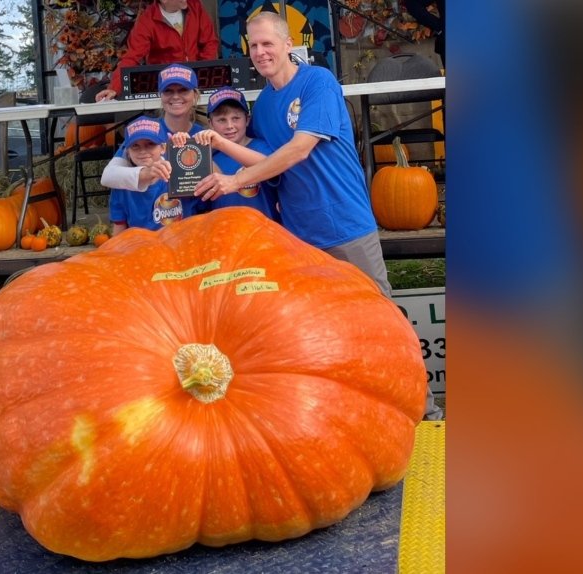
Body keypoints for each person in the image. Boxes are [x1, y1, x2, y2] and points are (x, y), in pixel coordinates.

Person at [194, 12, 443, 421]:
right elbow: (269, 160)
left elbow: (299, 150)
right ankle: (359, 415)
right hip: (301, 235)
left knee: (383, 322)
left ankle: (425, 411)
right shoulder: (267, 102)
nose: (260, 53)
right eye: (253, 46)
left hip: (344, 224)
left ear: (288, 43)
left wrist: (236, 182)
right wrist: (222, 147)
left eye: (268, 44)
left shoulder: (318, 82)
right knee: (326, 331)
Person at [170, 86, 280, 222]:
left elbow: (271, 167)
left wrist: (221, 143)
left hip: (266, 234)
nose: (229, 125)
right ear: (210, 124)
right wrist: (183, 148)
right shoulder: (208, 157)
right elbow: (199, 199)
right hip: (225, 235)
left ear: (247, 119)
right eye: (222, 120)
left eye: (236, 118)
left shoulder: (263, 147)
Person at [100, 64, 207, 191]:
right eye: (168, 91)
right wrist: (148, 173)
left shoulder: (202, 134)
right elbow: (108, 176)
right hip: (148, 207)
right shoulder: (144, 128)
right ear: (160, 95)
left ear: (195, 95)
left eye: (183, 90)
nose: (176, 96)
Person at [95, 0, 219, 102]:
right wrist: (114, 88)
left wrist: (203, 75)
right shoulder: (146, 21)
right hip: (166, 89)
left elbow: (210, 43)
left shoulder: (196, 6)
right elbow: (132, 57)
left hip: (195, 86)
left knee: (205, 125)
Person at [108, 116, 206, 233]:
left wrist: (187, 147)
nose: (143, 151)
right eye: (135, 146)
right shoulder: (122, 185)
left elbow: (204, 206)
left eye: (150, 144)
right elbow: (119, 231)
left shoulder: (179, 174)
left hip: (182, 242)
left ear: (163, 148)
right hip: (143, 246)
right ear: (127, 152)